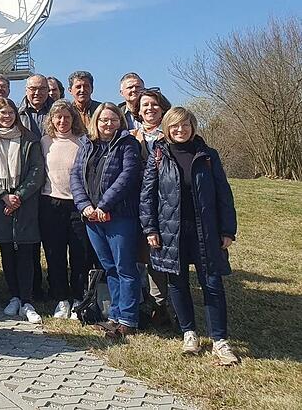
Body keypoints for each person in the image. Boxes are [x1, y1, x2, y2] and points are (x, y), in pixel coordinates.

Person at [140, 107, 239, 365]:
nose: (180, 130)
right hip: (171, 231)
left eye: (185, 125)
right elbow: (147, 196)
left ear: (193, 127)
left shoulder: (207, 155)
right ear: (167, 128)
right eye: (174, 126)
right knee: (177, 283)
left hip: (205, 230)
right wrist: (150, 229)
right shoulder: (158, 155)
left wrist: (227, 230)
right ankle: (189, 333)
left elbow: (223, 194)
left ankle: (219, 340)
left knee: (212, 284)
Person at [70, 102, 142, 339]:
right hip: (92, 217)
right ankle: (115, 315)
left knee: (125, 268)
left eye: (113, 119)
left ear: (120, 121)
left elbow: (127, 176)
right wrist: (85, 206)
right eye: (103, 120)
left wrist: (104, 205)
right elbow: (75, 176)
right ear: (96, 121)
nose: (108, 124)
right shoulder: (86, 144)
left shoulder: (127, 144)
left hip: (119, 216)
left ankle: (128, 320)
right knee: (109, 267)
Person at [0, 98, 45, 323]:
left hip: (25, 203)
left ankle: (27, 300)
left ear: (16, 114)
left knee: (26, 251)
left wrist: (18, 197)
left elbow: (37, 171)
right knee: (5, 249)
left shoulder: (29, 139)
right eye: (2, 113)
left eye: (10, 112)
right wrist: (3, 196)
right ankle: (14, 296)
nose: (6, 116)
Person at [39, 100, 92, 320]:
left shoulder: (83, 141)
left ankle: (78, 298)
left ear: (73, 119)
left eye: (67, 117)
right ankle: (61, 298)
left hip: (78, 205)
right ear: (51, 120)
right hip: (51, 203)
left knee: (80, 254)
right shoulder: (44, 141)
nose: (62, 121)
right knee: (55, 253)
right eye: (58, 117)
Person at [130, 89, 174, 326]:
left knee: (159, 254)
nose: (150, 108)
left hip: (165, 203)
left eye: (154, 104)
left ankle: (162, 306)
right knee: (138, 253)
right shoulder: (131, 135)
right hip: (134, 202)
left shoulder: (171, 135)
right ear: (137, 110)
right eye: (145, 105)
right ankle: (139, 302)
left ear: (163, 108)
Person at [19, 74, 53, 300]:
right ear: (26, 89)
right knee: (29, 240)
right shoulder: (17, 113)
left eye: (41, 88)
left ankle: (57, 285)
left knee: (52, 240)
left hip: (52, 183)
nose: (37, 92)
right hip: (27, 184)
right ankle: (33, 287)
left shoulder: (57, 110)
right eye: (33, 88)